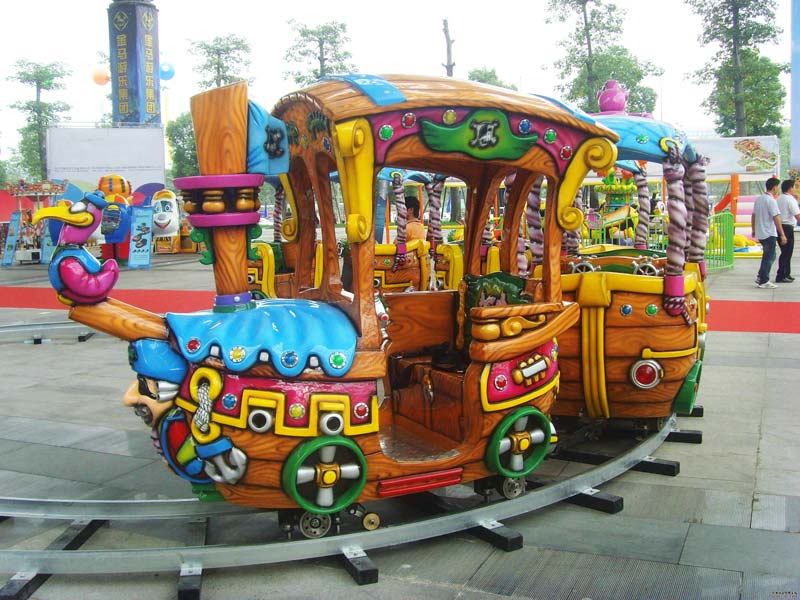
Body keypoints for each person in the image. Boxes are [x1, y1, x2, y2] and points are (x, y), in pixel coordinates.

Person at [751, 177, 787, 289]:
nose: (778, 189)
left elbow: (753, 215)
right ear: (775, 187)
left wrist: (754, 229)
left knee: (768, 255)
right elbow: (776, 217)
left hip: (761, 232)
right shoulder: (771, 201)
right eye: (778, 187)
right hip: (769, 232)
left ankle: (761, 276)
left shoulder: (759, 199)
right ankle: (764, 280)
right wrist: (782, 234)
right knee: (770, 256)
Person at [775, 178, 800, 283]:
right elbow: (797, 215)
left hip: (779, 227)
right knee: (786, 253)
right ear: (790, 188)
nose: (795, 189)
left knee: (785, 252)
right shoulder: (790, 199)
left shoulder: (779, 198)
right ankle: (781, 275)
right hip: (787, 228)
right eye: (794, 187)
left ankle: (787, 273)